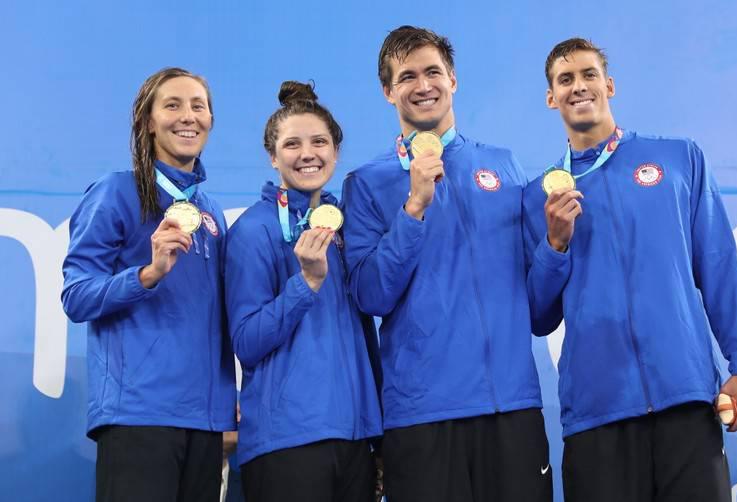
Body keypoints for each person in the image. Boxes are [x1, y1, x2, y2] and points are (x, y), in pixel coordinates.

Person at [523, 38, 737, 502]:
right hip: (597, 415)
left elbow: (718, 267)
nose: (579, 86)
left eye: (589, 74)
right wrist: (555, 244)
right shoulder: (540, 195)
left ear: (609, 85)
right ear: (552, 98)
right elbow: (538, 315)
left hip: (685, 402)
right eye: (565, 79)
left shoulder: (678, 159)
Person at [342, 26, 552, 502]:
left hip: (510, 408)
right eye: (407, 77)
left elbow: (539, 304)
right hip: (421, 417)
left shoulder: (503, 166)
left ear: (452, 80)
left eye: (433, 72)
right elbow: (371, 295)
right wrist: (414, 207)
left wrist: (556, 248)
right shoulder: (366, 183)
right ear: (388, 91)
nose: (423, 85)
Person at [61, 67, 237, 502]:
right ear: (148, 122)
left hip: (206, 421)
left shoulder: (210, 212)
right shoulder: (116, 191)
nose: (188, 116)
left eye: (198, 106)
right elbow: (76, 295)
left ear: (210, 120)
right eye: (172, 105)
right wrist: (147, 275)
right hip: (139, 415)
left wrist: (225, 401)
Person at [224, 81, 382, 502]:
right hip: (285, 441)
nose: (307, 153)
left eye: (319, 142)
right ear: (272, 156)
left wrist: (379, 436)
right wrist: (306, 284)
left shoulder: (346, 225)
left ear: (336, 151)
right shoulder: (252, 231)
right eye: (292, 144)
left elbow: (366, 335)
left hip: (356, 438)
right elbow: (246, 341)